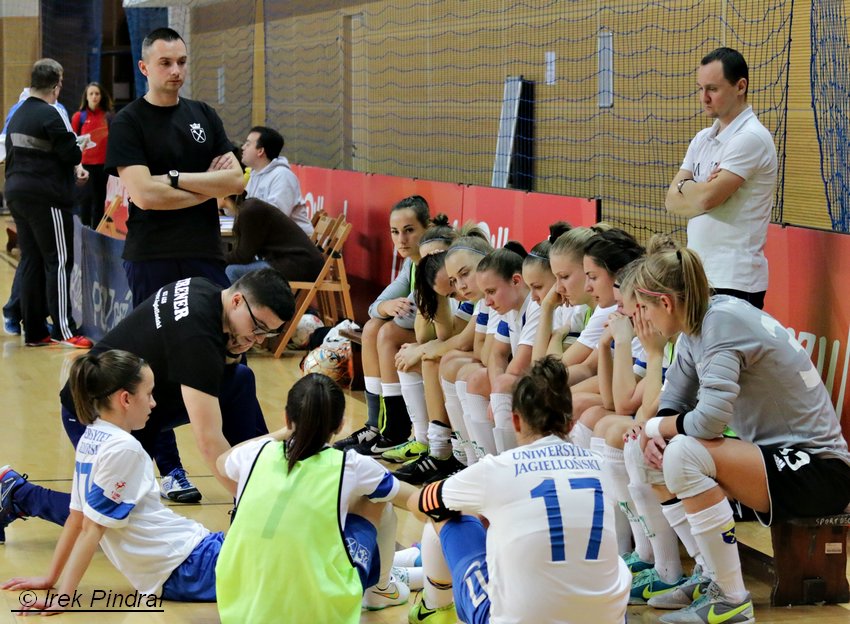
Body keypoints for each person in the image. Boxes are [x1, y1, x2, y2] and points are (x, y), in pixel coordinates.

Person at [635, 247, 850, 624]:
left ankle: (731, 599)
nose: (645, 320)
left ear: (666, 303)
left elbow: (708, 423)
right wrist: (654, 432)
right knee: (648, 453)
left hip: (820, 472)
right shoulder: (696, 325)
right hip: (770, 461)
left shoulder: (723, 322)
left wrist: (656, 428)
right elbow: (673, 401)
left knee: (682, 451)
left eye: (645, 308)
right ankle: (708, 574)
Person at [0, 268, 294, 543]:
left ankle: (265, 477)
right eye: (258, 327)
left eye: (269, 334)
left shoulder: (206, 291)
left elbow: (216, 372)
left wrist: (234, 349)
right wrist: (250, 500)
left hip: (142, 407)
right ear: (238, 300)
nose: (258, 339)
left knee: (239, 379)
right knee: (121, 514)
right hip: (92, 413)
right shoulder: (196, 336)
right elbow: (208, 441)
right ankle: (18, 494)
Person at [105, 27, 245, 502]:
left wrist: (176, 180)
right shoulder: (128, 123)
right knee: (151, 369)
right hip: (152, 258)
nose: (176, 71)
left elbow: (234, 181)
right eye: (165, 63)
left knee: (228, 358)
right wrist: (204, 183)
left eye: (182, 61)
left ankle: (244, 462)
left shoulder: (203, 115)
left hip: (205, 254)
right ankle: (170, 469)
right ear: (144, 68)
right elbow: (143, 195)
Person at [0, 350, 234, 608]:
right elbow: (91, 528)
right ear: (125, 399)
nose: (153, 403)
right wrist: (63, 599)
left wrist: (50, 578)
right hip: (188, 565)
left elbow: (76, 518)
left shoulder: (91, 438)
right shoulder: (125, 449)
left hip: (193, 554)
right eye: (149, 394)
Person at [413, 356, 631, 623]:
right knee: (610, 566)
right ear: (571, 423)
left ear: (515, 421)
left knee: (447, 514)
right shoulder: (599, 465)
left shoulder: (498, 468)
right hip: (605, 617)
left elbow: (421, 502)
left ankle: (433, 608)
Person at [216, 373, 420, 623]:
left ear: (287, 417)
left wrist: (285, 431)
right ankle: (381, 589)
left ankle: (403, 565)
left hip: (239, 605)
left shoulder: (256, 453)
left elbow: (222, 461)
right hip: (318, 612)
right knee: (375, 498)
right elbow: (417, 500)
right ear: (341, 424)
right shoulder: (351, 465)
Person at [665, 47, 777, 309]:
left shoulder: (750, 138)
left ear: (740, 86)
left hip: (735, 281)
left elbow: (706, 200)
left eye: (713, 89)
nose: (703, 98)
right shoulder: (702, 138)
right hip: (699, 274)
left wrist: (691, 188)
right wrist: (699, 188)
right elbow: (671, 201)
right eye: (700, 88)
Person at [334, 195, 431, 456]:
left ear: (428, 229)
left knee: (387, 332)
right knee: (372, 327)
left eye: (410, 231)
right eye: (395, 232)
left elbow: (407, 316)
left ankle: (395, 428)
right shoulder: (411, 263)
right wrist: (385, 307)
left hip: (447, 339)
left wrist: (389, 310)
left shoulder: (433, 261)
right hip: (425, 335)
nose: (401, 239)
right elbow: (375, 306)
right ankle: (375, 424)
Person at [4, 58, 91, 348]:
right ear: (56, 85)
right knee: (59, 261)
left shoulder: (17, 115)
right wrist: (76, 148)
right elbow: (72, 156)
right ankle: (65, 331)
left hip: (16, 194)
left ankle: (35, 332)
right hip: (47, 198)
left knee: (31, 260)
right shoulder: (51, 115)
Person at [224, 197, 325, 284]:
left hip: (299, 265)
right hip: (295, 262)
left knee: (232, 271)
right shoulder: (248, 207)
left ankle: (238, 306)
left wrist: (218, 260)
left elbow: (244, 256)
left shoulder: (250, 210)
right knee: (235, 268)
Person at [240, 125, 313, 236]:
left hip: (293, 246)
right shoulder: (255, 174)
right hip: (271, 243)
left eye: (248, 144)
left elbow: (275, 218)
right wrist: (226, 202)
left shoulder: (283, 176)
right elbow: (245, 212)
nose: (243, 147)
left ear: (260, 151)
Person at [72, 82, 113, 229]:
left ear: (101, 96)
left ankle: (97, 233)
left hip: (103, 166)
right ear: (86, 97)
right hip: (85, 166)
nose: (94, 97)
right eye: (91, 94)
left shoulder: (108, 117)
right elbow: (73, 141)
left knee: (100, 201)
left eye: (97, 93)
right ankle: (84, 231)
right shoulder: (79, 117)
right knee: (85, 200)